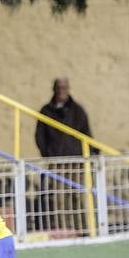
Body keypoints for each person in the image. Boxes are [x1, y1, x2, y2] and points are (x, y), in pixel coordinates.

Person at [35, 77, 94, 232]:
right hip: (56, 162)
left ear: (68, 89)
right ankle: (63, 231)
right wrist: (48, 155)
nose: (61, 90)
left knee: (78, 197)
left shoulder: (77, 111)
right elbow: (40, 136)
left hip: (76, 162)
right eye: (58, 87)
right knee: (59, 199)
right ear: (53, 89)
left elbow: (87, 134)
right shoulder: (46, 111)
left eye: (64, 87)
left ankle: (82, 230)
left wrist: (90, 155)